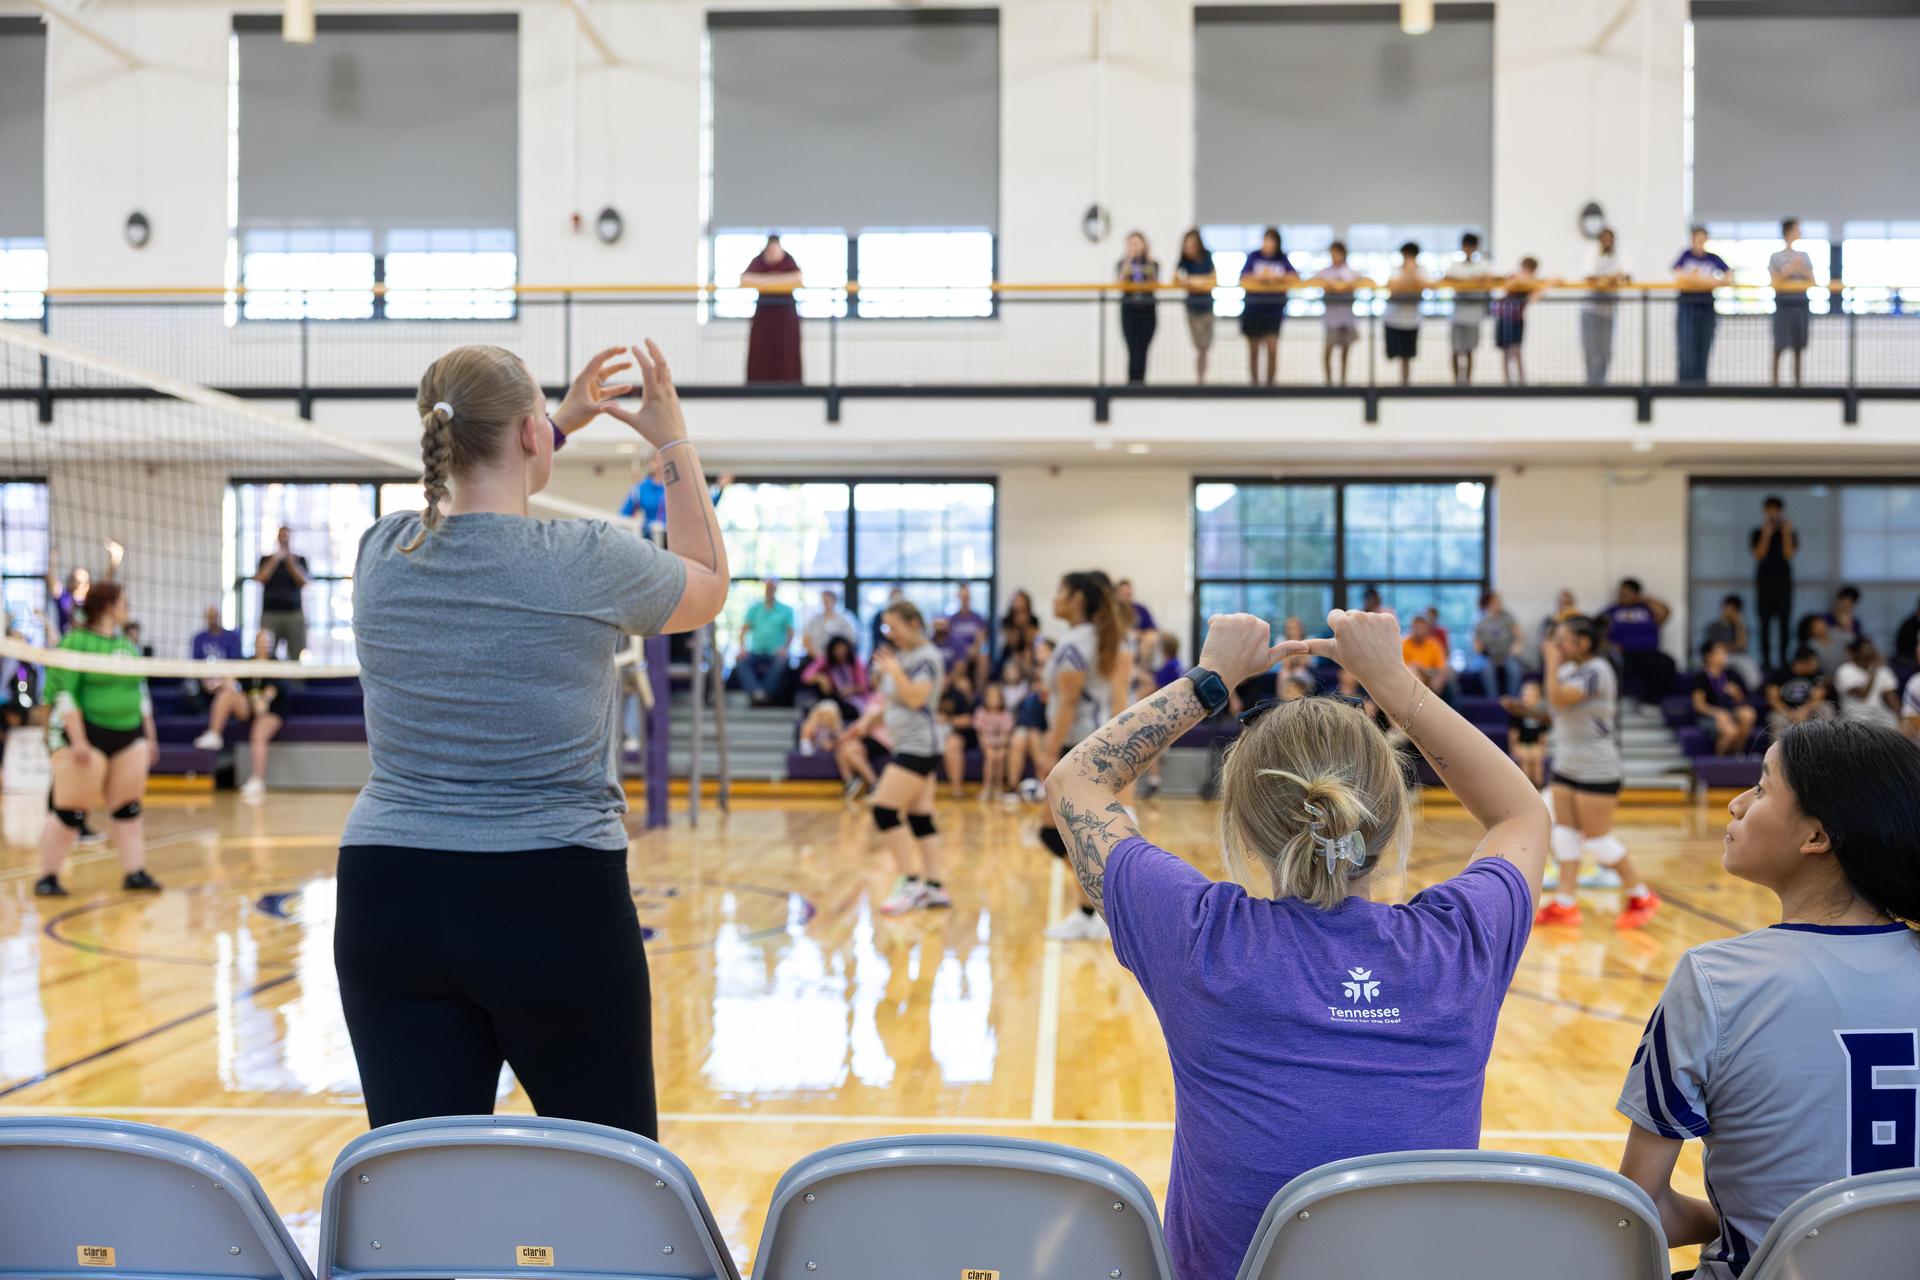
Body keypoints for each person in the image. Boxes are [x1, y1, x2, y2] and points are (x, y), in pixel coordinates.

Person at [1043, 607, 1548, 1280]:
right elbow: (1521, 813)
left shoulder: (1203, 940)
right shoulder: (1459, 946)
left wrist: (1211, 678)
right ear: (1391, 814)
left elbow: (1076, 782)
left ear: (1245, 828)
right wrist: (1392, 682)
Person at [334, 339, 728, 1137]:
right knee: (610, 1172)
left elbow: (477, 490)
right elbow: (707, 580)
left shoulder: (381, 553)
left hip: (389, 899)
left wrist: (555, 422)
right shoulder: (588, 561)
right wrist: (670, 437)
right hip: (552, 897)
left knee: (422, 1182)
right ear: (528, 434)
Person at [1615, 720, 1920, 1280]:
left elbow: (1636, 1212)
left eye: (1759, 787)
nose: (1735, 804)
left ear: (1816, 837)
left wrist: (1759, 1224)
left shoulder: (1713, 979)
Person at [32, 580, 162, 899]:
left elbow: (141, 695)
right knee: (70, 812)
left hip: (128, 736)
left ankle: (135, 873)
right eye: (123, 603)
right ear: (108, 606)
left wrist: (150, 737)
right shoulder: (76, 642)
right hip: (88, 735)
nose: (126, 610)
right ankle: (47, 876)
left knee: (128, 809)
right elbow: (65, 695)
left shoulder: (127, 646)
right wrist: (77, 741)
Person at [1537, 614, 1659, 929]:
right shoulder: (1568, 671)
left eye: (1563, 639)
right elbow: (1559, 710)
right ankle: (1565, 903)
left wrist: (1549, 662)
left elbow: (1561, 697)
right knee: (1564, 833)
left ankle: (1641, 895)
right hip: (1566, 762)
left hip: (1596, 767)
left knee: (1596, 840)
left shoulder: (1597, 670)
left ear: (1583, 643)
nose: (1557, 644)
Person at [1040, 572, 1132, 941]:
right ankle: (1091, 911)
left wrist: (1049, 748)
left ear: (1077, 598)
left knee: (1060, 834)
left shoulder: (1078, 643)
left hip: (1076, 749)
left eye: (1060, 591)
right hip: (1096, 748)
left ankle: (1099, 912)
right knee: (1069, 835)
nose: (1054, 598)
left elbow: (1068, 701)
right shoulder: (1102, 639)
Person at [869, 601, 951, 915]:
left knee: (884, 810)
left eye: (895, 627)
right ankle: (934, 887)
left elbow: (916, 698)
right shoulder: (905, 657)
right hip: (907, 743)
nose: (890, 634)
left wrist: (894, 671)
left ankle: (910, 882)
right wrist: (865, 724)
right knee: (919, 816)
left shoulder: (927, 657)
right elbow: (892, 702)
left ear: (914, 623)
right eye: (886, 628)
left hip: (920, 745)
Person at [1602, 577, 1676, 703]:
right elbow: (1597, 632)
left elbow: (1666, 612)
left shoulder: (1647, 609)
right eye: (1621, 593)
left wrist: (1644, 599)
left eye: (1626, 593)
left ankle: (1652, 703)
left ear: (1636, 594)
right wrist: (1611, 645)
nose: (1622, 596)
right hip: (1623, 654)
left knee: (1667, 663)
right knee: (1608, 665)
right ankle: (1615, 702)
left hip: (1648, 654)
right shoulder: (1612, 611)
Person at [1673, 226, 1730, 385]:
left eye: (1703, 238)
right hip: (1687, 306)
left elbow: (1729, 276)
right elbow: (1679, 277)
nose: (1700, 242)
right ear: (1692, 239)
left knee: (1703, 345)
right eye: (1698, 238)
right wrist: (1707, 281)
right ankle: (1684, 384)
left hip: (1707, 306)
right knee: (1686, 346)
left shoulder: (1712, 258)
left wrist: (1699, 280)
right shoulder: (1685, 255)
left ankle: (1701, 383)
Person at [743, 234, 802, 384]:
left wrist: (765, 281)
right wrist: (779, 280)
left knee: (786, 352)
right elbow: (745, 280)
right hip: (764, 313)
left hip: (785, 314)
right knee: (761, 352)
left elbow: (798, 279)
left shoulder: (789, 260)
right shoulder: (758, 260)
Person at [1239, 227, 1295, 386]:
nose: (1267, 244)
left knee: (1272, 349)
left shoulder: (1282, 258)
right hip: (1253, 310)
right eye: (1265, 240)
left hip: (1274, 311)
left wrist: (1275, 277)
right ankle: (1254, 384)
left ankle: (1270, 383)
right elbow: (1243, 277)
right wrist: (1260, 277)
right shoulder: (1254, 256)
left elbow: (1294, 277)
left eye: (1271, 240)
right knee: (1254, 350)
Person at [796, 635, 868, 756]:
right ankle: (809, 740)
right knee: (826, 708)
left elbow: (863, 686)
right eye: (837, 649)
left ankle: (806, 740)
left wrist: (851, 689)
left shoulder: (855, 662)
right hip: (835, 701)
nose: (840, 653)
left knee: (825, 708)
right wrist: (821, 677)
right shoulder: (825, 661)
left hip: (853, 703)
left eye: (843, 649)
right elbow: (806, 676)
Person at [1750, 496, 1797, 670]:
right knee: (1764, 625)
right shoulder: (1757, 532)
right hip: (1764, 585)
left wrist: (1785, 533)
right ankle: (1766, 660)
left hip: (1783, 584)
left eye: (1776, 510)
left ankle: (1785, 660)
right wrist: (1766, 534)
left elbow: (1789, 554)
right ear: (1764, 511)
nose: (1773, 513)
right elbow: (1759, 554)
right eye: (1769, 510)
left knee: (1785, 624)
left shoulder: (1789, 532)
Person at [1581, 227, 1631, 385]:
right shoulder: (1592, 253)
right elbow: (1589, 278)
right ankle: (1591, 383)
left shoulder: (1619, 254)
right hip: (1591, 309)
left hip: (1609, 309)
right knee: (1591, 349)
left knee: (1605, 351)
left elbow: (1627, 276)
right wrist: (1609, 279)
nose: (1607, 242)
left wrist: (1609, 279)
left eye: (1610, 239)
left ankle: (1601, 382)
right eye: (1604, 239)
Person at [1769, 217, 1816, 388]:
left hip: (1801, 304)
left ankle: (1798, 384)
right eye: (1797, 229)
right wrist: (1789, 269)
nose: (1800, 233)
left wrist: (1800, 268)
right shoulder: (1776, 257)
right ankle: (1774, 384)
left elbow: (1812, 280)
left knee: (1798, 346)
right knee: (1779, 344)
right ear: (1788, 232)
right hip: (1783, 305)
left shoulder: (1804, 256)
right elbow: (1774, 281)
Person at [736, 578, 795, 707]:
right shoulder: (754, 609)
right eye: (767, 587)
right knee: (741, 661)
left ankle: (764, 693)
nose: (770, 590)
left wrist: (785, 648)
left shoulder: (786, 610)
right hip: (756, 651)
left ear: (776, 589)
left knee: (781, 661)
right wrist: (742, 648)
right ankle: (757, 692)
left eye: (772, 588)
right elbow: (743, 631)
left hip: (775, 652)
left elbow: (791, 633)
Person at [253, 527, 309, 660]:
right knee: (266, 654)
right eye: (281, 536)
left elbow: (304, 582)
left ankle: (296, 682)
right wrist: (275, 559)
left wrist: (290, 562)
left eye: (286, 536)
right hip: (270, 614)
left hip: (293, 614)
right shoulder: (266, 559)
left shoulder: (299, 560)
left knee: (296, 655)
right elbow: (260, 578)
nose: (284, 539)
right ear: (277, 538)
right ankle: (267, 681)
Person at [1693, 641, 1757, 757]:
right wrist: (1717, 713)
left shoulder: (1730, 674)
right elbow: (1699, 705)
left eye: (1725, 653)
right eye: (1720, 653)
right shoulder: (1700, 677)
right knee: (1730, 731)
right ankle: (1720, 762)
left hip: (1729, 710)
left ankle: (1736, 752)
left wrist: (1736, 693)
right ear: (1709, 656)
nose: (1724, 656)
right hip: (1709, 714)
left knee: (1748, 714)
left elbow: (1741, 701)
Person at [1445, 231, 1493, 385]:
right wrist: (1471, 282)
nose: (1469, 250)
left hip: (1474, 315)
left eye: (1472, 247)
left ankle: (1468, 383)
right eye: (1467, 246)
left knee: (1470, 350)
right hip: (1457, 315)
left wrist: (1468, 282)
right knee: (1455, 350)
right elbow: (1447, 278)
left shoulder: (1483, 265)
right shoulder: (1455, 265)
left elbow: (1489, 280)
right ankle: (1456, 382)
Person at [1116, 231, 1159, 386]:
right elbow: (1120, 282)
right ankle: (1131, 383)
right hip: (1129, 312)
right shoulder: (1122, 263)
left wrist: (1147, 258)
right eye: (1131, 244)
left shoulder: (1152, 264)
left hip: (1147, 312)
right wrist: (1129, 259)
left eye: (1137, 243)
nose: (1134, 247)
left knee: (1143, 349)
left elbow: (1155, 281)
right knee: (1132, 349)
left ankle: (1141, 383)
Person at [1174, 229, 1217, 384]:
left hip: (1206, 307)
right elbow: (1176, 279)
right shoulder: (1184, 260)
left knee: (1205, 346)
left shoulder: (1207, 257)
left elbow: (1213, 280)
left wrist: (1192, 281)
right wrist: (1197, 282)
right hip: (1192, 308)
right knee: (1199, 345)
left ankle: (1201, 377)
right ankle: (1200, 377)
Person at [1316, 241, 1362, 387]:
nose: (1335, 256)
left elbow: (1359, 282)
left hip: (1346, 319)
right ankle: (1329, 381)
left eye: (1337, 252)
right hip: (1331, 319)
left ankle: (1343, 381)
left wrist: (1342, 286)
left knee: (1345, 351)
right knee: (1328, 350)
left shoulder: (1351, 272)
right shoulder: (1324, 272)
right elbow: (1315, 282)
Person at [1764, 646, 1831, 738]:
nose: (1816, 664)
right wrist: (1788, 714)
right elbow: (1772, 697)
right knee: (1777, 720)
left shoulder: (1817, 673)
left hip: (1808, 709)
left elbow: (1818, 695)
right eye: (1814, 661)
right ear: (1805, 662)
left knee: (1826, 709)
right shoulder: (1781, 672)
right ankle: (1779, 751)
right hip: (1783, 710)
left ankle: (1824, 747)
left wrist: (1803, 711)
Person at [1701, 592, 1762, 692]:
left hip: (1737, 657)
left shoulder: (1738, 627)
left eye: (1733, 609)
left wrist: (1739, 623)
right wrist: (1732, 647)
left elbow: (1742, 645)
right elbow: (1716, 647)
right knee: (1741, 661)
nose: (1729, 611)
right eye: (1727, 607)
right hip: (1718, 656)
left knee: (1747, 662)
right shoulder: (1713, 626)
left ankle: (1757, 690)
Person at [1384, 242, 1425, 387]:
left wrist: (1411, 276)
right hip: (1393, 320)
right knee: (1393, 354)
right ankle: (1398, 383)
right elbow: (1392, 288)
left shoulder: (1422, 271)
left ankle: (1405, 384)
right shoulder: (1395, 270)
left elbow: (1424, 287)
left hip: (1412, 321)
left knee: (1407, 355)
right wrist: (1407, 278)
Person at [1833, 638, 1899, 729]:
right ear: (1856, 653)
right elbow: (1863, 694)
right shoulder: (1845, 670)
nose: (1870, 652)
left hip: (1880, 717)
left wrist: (1900, 716)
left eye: (1871, 649)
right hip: (1855, 720)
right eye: (1866, 649)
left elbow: (1891, 696)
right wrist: (1874, 669)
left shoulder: (1883, 670)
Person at [1494, 257, 1540, 385]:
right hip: (1505, 317)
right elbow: (1507, 286)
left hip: (1517, 319)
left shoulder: (1533, 283)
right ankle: (1507, 381)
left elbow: (1534, 298)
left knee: (1517, 350)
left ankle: (1521, 381)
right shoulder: (1513, 277)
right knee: (1506, 351)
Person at [1502, 678, 1552, 788]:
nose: (1526, 697)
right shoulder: (1517, 712)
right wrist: (1513, 749)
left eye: (1530, 695)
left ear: (1538, 698)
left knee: (1537, 756)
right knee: (1525, 757)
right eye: (1524, 694)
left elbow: (1542, 736)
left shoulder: (1540, 715)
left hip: (1535, 744)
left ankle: (1539, 786)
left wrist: (1544, 749)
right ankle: (1526, 786)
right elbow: (1513, 734)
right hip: (1521, 744)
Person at [1472, 591, 1523, 696]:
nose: (1498, 604)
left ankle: (1512, 699)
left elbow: (1519, 635)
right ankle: (1493, 700)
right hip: (1489, 657)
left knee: (1514, 669)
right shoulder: (1480, 622)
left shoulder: (1507, 617)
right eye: (1495, 602)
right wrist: (1479, 647)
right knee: (1487, 670)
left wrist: (1517, 645)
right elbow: (1477, 646)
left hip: (1506, 655)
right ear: (1488, 604)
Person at [938, 668, 978, 800]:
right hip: (932, 734)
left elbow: (968, 720)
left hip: (955, 734)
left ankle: (956, 789)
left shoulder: (957, 695)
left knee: (953, 744)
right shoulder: (927, 694)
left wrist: (947, 720)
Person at [944, 584, 990, 690]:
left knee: (984, 656)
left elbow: (982, 641)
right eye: (962, 597)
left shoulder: (978, 618)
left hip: (973, 652)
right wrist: (963, 651)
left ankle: (980, 693)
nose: (964, 600)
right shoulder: (952, 619)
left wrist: (975, 649)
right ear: (958, 598)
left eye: (967, 597)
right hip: (957, 653)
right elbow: (949, 641)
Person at [975, 683, 1015, 801]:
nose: (993, 700)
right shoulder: (981, 712)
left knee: (1000, 755)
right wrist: (987, 743)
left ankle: (998, 787)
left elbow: (1006, 735)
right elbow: (980, 734)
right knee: (990, 755)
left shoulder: (1005, 714)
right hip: (986, 744)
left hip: (1001, 744)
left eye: (996, 697)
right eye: (990, 697)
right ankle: (987, 787)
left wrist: (1000, 743)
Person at [1401, 613, 1450, 695]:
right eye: (1416, 626)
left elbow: (1442, 667)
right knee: (1413, 672)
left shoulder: (1434, 644)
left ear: (1427, 629)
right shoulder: (1403, 643)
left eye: (1421, 626)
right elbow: (1402, 668)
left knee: (1447, 674)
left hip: (1430, 676)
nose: (1419, 629)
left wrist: (1438, 678)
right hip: (1411, 678)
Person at [801, 588, 857, 661]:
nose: (825, 603)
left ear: (834, 601)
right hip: (815, 657)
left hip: (839, 658)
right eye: (823, 600)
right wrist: (817, 656)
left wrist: (836, 655)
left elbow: (851, 640)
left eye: (828, 600)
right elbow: (806, 641)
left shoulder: (845, 619)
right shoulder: (814, 619)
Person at [996, 589, 1038, 677]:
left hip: (1028, 651)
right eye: (1016, 600)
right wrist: (1016, 625)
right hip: (1010, 652)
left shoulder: (1033, 619)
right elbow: (1012, 643)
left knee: (1028, 657)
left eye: (1021, 600)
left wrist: (1025, 624)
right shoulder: (1006, 620)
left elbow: (1030, 640)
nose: (1018, 603)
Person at [1798, 613, 1850, 678]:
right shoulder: (1811, 645)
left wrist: (1846, 628)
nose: (1820, 625)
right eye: (1815, 625)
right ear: (1809, 631)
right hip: (1826, 679)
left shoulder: (1836, 633)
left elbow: (1853, 640)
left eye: (1820, 622)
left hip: (1848, 673)